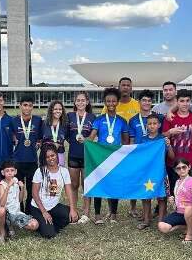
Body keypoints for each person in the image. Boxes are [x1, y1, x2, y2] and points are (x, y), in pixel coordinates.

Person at [89, 87, 129, 224]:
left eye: (113, 101)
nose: (111, 103)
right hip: (100, 157)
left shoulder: (122, 121)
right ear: (105, 102)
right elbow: (92, 137)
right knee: (99, 184)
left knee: (114, 185)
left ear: (117, 102)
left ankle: (113, 214)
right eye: (108, 101)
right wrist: (86, 141)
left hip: (115, 158)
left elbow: (125, 141)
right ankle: (98, 215)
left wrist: (125, 154)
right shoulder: (99, 119)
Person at [128, 90, 164, 219]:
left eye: (149, 100)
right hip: (138, 157)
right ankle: (133, 208)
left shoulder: (158, 118)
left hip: (154, 159)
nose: (146, 103)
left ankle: (153, 214)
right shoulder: (133, 120)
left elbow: (162, 136)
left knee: (154, 184)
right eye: (144, 100)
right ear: (139, 102)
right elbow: (131, 140)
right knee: (138, 182)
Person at [30, 143, 78, 239]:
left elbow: (69, 191)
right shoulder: (40, 171)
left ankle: (49, 224)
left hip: (53, 206)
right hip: (38, 208)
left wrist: (72, 209)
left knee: (74, 216)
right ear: (44, 158)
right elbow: (34, 194)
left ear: (57, 155)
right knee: (50, 235)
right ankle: (42, 224)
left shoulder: (64, 171)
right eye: (47, 157)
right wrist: (44, 212)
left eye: (52, 155)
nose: (51, 158)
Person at [10, 94, 43, 213]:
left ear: (32, 107)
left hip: (32, 161)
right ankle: (19, 209)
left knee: (31, 188)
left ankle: (29, 211)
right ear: (20, 106)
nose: (27, 108)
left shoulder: (38, 120)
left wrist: (38, 144)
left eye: (30, 105)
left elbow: (40, 138)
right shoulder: (13, 121)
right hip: (17, 160)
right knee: (18, 187)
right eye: (25, 105)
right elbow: (11, 137)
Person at [66, 91, 96, 224]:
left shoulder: (92, 117)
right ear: (74, 102)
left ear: (87, 102)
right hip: (73, 154)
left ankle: (86, 213)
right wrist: (74, 141)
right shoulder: (69, 116)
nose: (80, 102)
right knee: (73, 185)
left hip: (86, 155)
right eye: (78, 100)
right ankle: (74, 211)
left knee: (86, 185)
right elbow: (65, 134)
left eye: (83, 100)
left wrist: (87, 140)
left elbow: (94, 135)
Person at [158, 158, 192, 243]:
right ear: (175, 170)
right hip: (179, 213)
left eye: (184, 167)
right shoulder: (177, 182)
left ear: (189, 167)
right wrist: (172, 201)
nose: (181, 170)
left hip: (191, 213)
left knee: (189, 210)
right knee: (162, 226)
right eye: (178, 168)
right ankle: (189, 227)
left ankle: (190, 234)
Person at [163, 90, 192, 189]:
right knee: (174, 190)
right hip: (173, 161)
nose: (185, 103)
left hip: (190, 161)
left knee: (191, 190)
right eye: (182, 101)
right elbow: (162, 136)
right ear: (177, 102)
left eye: (187, 101)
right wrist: (170, 132)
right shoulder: (170, 118)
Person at [0, 160, 39, 243]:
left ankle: (11, 227)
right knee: (1, 210)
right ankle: (2, 233)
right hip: (6, 213)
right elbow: (2, 204)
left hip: (16, 213)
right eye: (7, 171)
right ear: (2, 172)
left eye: (12, 170)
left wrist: (22, 188)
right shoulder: (2, 184)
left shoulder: (16, 181)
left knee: (35, 225)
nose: (9, 173)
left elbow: (20, 200)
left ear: (15, 171)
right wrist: (8, 187)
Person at [42, 100, 68, 166]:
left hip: (60, 155)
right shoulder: (43, 124)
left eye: (60, 109)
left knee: (59, 175)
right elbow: (39, 140)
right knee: (46, 175)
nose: (58, 111)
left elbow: (70, 139)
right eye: (55, 109)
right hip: (46, 156)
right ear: (51, 110)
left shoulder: (65, 125)